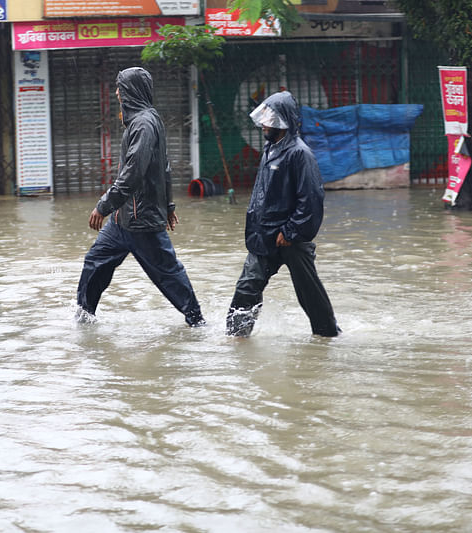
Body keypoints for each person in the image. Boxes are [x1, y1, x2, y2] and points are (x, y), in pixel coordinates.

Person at [76, 67, 205, 327]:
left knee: (168, 274)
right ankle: (83, 319)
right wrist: (168, 205)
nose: (116, 93)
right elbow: (163, 167)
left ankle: (197, 322)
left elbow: (134, 172)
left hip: (141, 218)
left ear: (131, 91)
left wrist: (103, 205)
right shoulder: (142, 121)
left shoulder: (145, 124)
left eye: (120, 88)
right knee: (95, 262)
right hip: (123, 218)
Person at [226, 90, 340, 337]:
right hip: (264, 236)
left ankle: (328, 335)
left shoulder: (299, 153)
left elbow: (311, 199)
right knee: (247, 286)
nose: (265, 124)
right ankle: (236, 338)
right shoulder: (270, 149)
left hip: (289, 238)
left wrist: (291, 231)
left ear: (283, 121)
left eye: (270, 119)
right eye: (264, 118)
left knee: (309, 292)